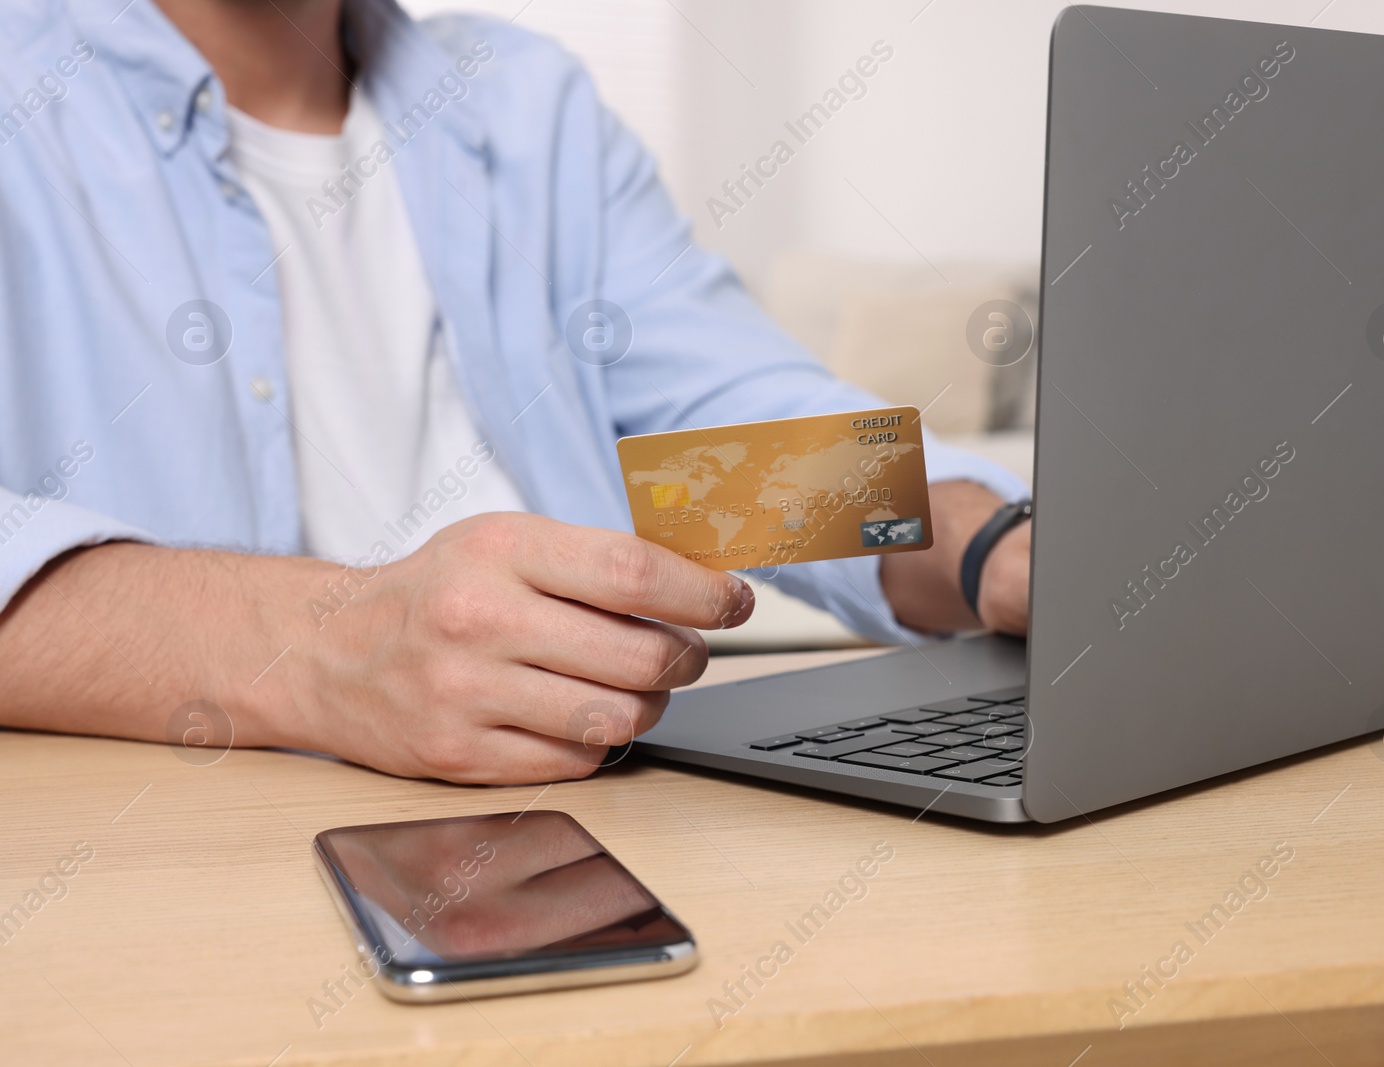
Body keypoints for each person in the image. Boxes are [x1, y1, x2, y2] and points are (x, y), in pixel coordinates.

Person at [0, 0, 1033, 784]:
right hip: (192, 860)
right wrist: (324, 649)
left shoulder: (523, 106)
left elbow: (725, 457)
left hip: (603, 810)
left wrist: (986, 542)